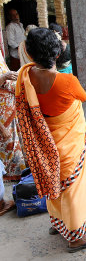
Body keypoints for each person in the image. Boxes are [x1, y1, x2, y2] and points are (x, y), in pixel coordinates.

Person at [15, 28, 86, 252]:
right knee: (72, 188)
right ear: (56, 54)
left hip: (45, 143)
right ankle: (76, 238)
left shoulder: (26, 76)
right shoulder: (66, 81)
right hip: (67, 145)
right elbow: (82, 97)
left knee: (53, 183)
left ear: (30, 54)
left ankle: (58, 223)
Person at [0, 50, 25, 181]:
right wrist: (5, 77)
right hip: (2, 116)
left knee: (14, 144)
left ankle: (15, 177)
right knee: (7, 143)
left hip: (8, 109)